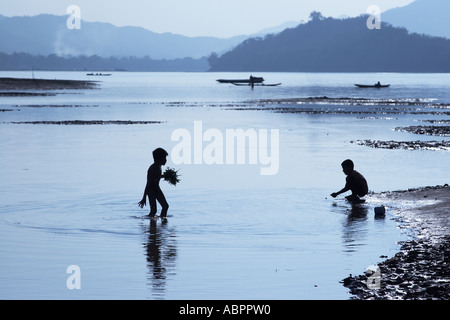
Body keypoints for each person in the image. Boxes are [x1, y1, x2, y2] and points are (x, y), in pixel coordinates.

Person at [138, 148, 169, 218]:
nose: (166, 160)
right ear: (159, 158)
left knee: (160, 208)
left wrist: (165, 176)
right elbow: (149, 182)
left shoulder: (158, 166)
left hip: (155, 189)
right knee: (161, 208)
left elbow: (156, 177)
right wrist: (144, 197)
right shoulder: (154, 168)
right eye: (164, 158)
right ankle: (160, 222)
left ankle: (157, 224)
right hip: (152, 190)